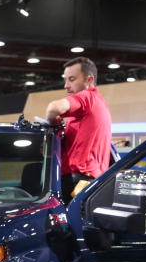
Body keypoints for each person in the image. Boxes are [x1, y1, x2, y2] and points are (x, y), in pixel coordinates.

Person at [45, 57, 113, 202]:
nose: (66, 85)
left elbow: (53, 108)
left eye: (71, 79)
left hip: (77, 181)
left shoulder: (87, 97)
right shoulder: (97, 104)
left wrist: (51, 122)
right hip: (89, 182)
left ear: (89, 80)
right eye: (65, 80)